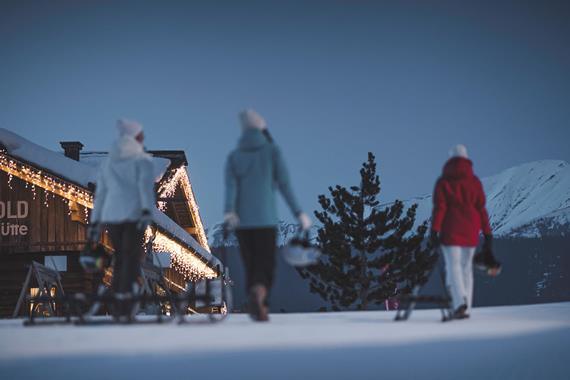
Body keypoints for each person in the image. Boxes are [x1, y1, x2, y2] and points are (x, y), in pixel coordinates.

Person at [224, 109, 312, 322]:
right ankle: (260, 294)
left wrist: (229, 212)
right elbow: (284, 185)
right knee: (266, 264)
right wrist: (298, 212)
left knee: (251, 264)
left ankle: (256, 298)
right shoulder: (272, 152)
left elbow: (230, 188)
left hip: (242, 222)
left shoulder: (234, 157)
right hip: (265, 219)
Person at [88, 119, 155, 320]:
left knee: (120, 256)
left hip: (112, 215)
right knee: (131, 257)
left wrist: (95, 221)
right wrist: (146, 211)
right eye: (141, 134)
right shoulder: (142, 160)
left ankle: (118, 295)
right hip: (133, 215)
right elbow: (144, 188)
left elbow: (101, 193)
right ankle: (125, 297)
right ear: (136, 137)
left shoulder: (109, 161)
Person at [430, 144, 493, 319]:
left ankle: (459, 303)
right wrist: (487, 232)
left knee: (453, 266)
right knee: (466, 269)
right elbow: (481, 209)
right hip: (471, 229)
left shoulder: (444, 182)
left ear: (450, 160)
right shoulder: (475, 182)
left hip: (450, 229)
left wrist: (434, 230)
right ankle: (467, 306)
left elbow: (440, 208)